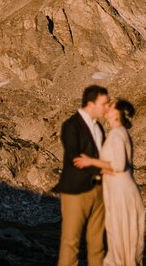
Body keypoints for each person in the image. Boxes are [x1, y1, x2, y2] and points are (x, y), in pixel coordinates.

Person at [74, 99, 145, 266]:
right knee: (117, 235)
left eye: (110, 106)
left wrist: (91, 162)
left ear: (117, 112)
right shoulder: (118, 133)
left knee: (121, 234)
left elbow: (119, 165)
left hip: (121, 191)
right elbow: (114, 168)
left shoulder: (118, 133)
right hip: (116, 189)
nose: (106, 108)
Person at [54, 85, 110, 266]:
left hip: (99, 190)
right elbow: (75, 158)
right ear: (91, 104)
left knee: (97, 243)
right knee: (71, 242)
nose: (106, 107)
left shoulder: (99, 127)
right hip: (76, 191)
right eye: (104, 103)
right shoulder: (71, 125)